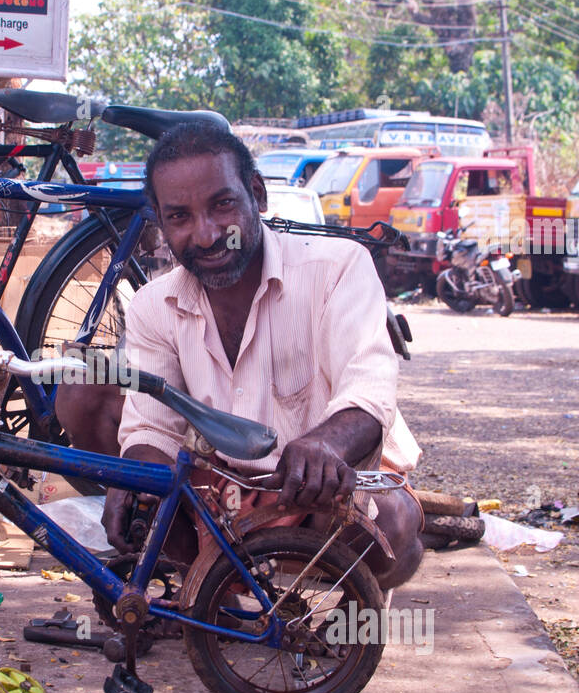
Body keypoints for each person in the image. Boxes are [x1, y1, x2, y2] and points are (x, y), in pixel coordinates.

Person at [55, 122, 424, 591]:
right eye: (180, 218)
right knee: (84, 393)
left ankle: (335, 592)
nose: (206, 235)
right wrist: (133, 482)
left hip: (321, 489)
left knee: (392, 527)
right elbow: (151, 426)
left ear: (257, 194)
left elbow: (368, 387)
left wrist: (327, 445)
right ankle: (209, 593)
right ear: (162, 224)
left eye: (222, 205)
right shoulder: (153, 306)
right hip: (219, 492)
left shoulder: (338, 268)